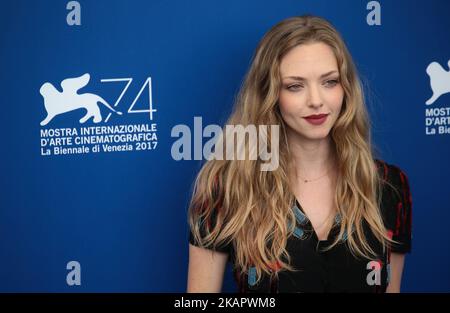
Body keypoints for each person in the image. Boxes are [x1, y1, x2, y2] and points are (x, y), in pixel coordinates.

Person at [186, 15, 412, 293]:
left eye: (329, 82)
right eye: (295, 86)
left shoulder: (389, 187)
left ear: (346, 89)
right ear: (269, 94)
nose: (316, 100)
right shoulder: (227, 188)